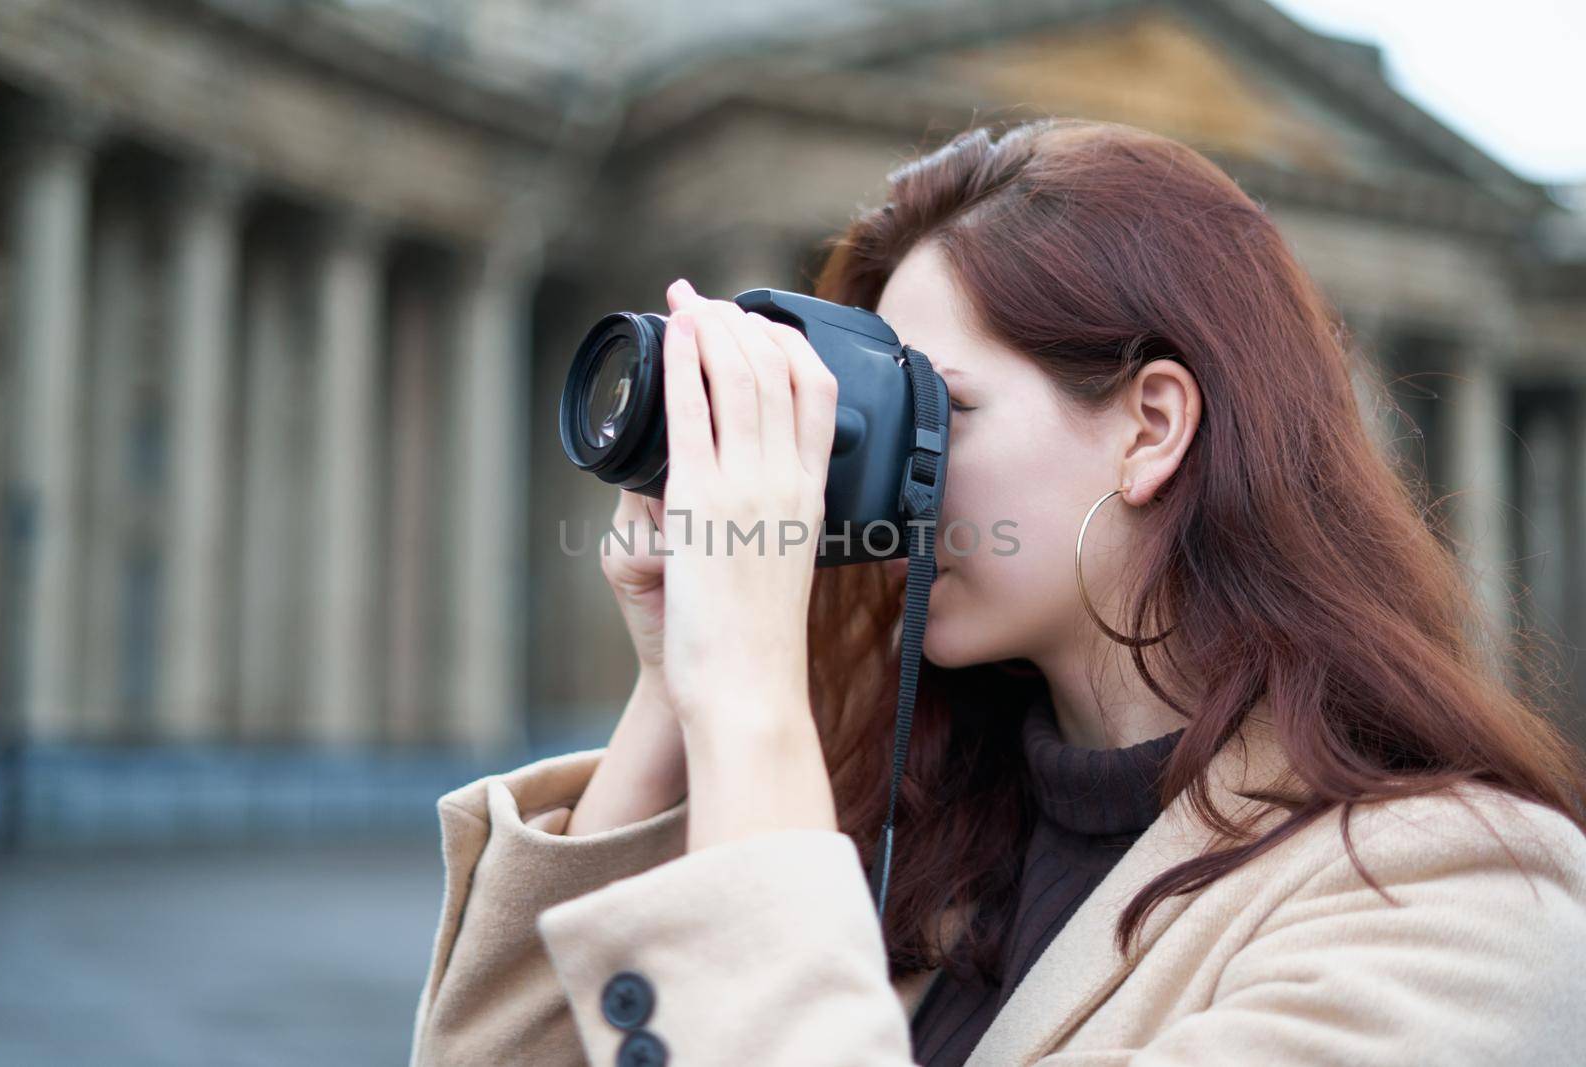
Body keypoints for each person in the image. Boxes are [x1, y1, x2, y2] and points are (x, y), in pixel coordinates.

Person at [408, 117, 1586, 1067]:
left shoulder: (1467, 901)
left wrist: (752, 697)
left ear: (1151, 428)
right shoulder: (927, 844)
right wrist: (676, 682)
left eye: (943, 415)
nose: (879, 495)